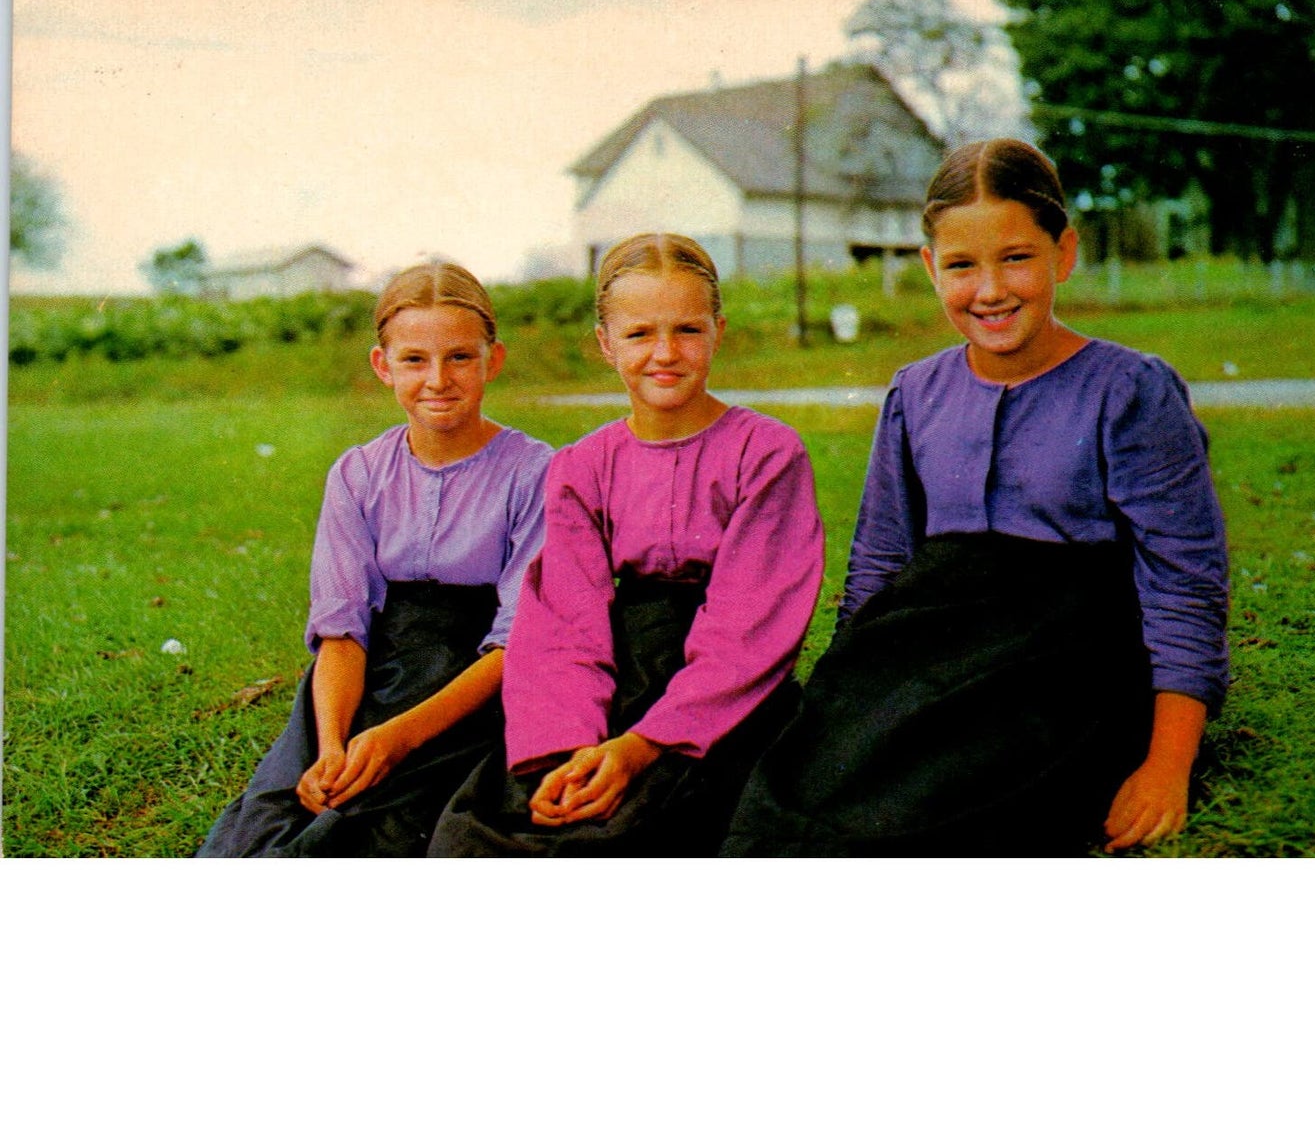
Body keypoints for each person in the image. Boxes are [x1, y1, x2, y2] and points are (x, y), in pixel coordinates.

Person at [723, 138, 1230, 858]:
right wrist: (844, 701)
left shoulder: (1130, 391)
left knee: (949, 809)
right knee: (791, 796)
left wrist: (1165, 765)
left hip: (1065, 659)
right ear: (931, 268)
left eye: (1016, 257)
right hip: (933, 641)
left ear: (1063, 253)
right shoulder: (913, 392)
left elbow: (1185, 583)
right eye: (961, 265)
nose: (989, 289)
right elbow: (881, 560)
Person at [430, 233, 824, 857]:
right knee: (491, 828)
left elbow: (749, 630)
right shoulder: (580, 466)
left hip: (722, 691)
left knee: (646, 826)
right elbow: (565, 617)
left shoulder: (768, 453)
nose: (665, 353)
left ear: (718, 331)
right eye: (639, 334)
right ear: (606, 344)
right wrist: (574, 747)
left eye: (687, 330)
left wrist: (640, 747)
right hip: (613, 668)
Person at [197, 262, 551, 857]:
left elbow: (519, 640)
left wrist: (397, 738)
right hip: (368, 674)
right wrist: (333, 741)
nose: (438, 379)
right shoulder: (358, 473)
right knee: (278, 818)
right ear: (383, 366)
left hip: (475, 682)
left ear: (494, 360)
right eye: (415, 359)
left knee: (381, 825)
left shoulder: (534, 471)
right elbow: (342, 628)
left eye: (461, 357)